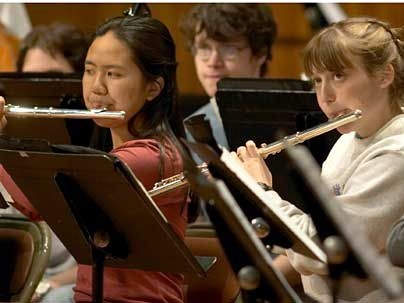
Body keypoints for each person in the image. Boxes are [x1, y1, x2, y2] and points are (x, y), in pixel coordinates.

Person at [0, 15, 188, 303]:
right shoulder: (112, 151)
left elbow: (36, 204)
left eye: (113, 74)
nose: (97, 87)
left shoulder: (153, 158)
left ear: (153, 87)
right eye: (89, 71)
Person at [234, 17, 404, 302]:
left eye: (339, 75)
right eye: (317, 80)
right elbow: (308, 258)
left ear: (385, 75)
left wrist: (261, 192)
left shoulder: (395, 155)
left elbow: (325, 250)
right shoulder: (345, 143)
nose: (325, 96)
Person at [1, 22, 90, 303]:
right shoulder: (7, 147)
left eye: (50, 79)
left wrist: (45, 286)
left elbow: (105, 260)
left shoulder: (98, 154)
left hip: (65, 287)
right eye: (29, 80)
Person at [179, 3, 277, 148]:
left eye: (228, 49)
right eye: (204, 48)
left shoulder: (294, 123)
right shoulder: (186, 132)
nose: (213, 62)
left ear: (260, 53)